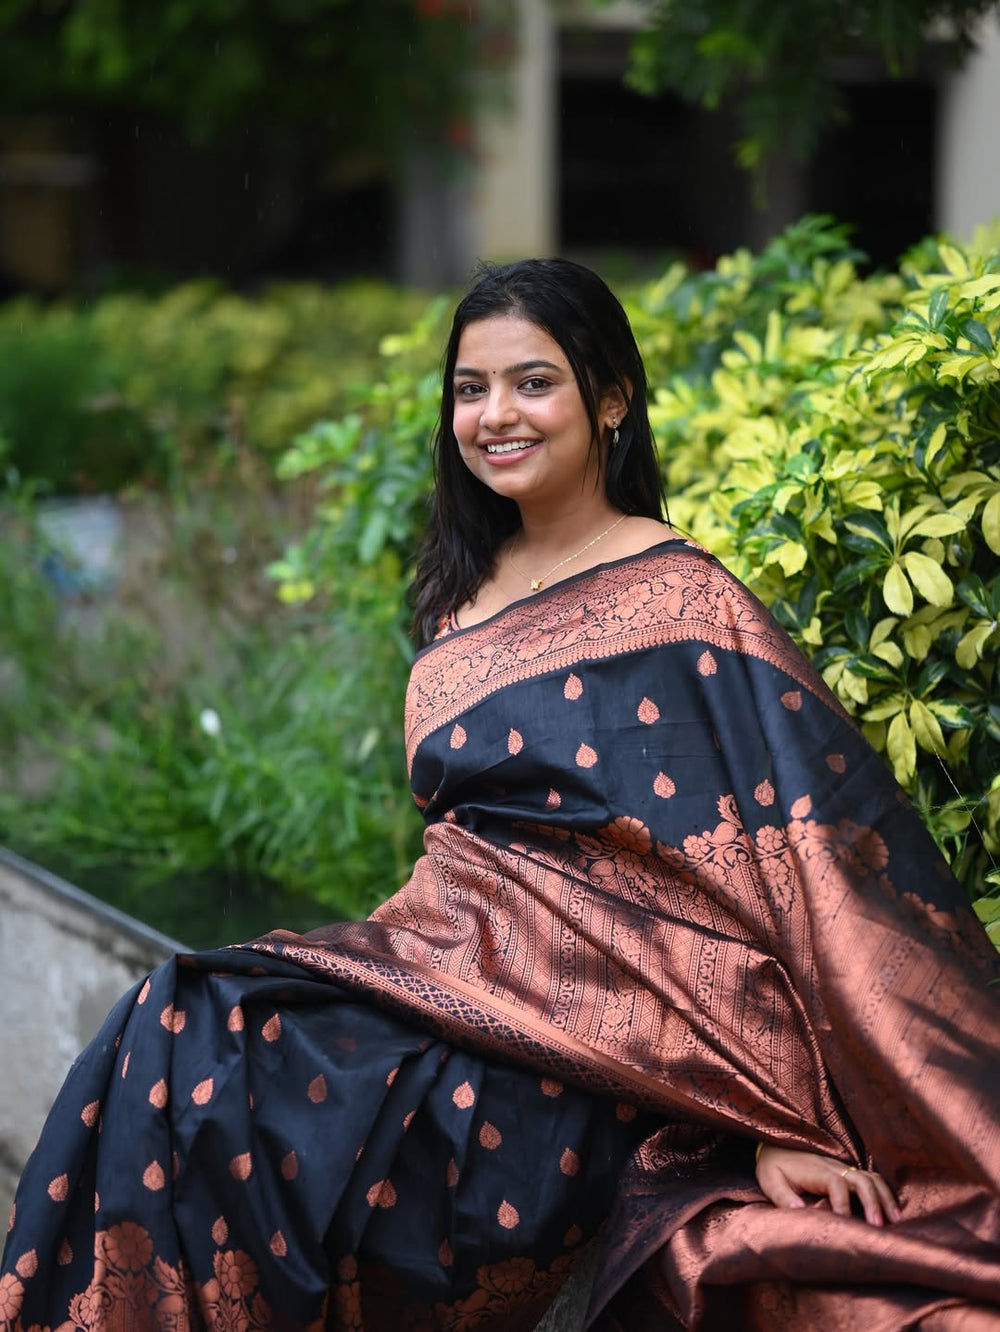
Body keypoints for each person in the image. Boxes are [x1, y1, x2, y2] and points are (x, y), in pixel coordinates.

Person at [2, 258, 998, 1331]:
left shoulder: (684, 599)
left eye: (533, 382)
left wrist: (776, 1117)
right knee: (178, 1025)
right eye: (470, 389)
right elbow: (473, 861)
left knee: (232, 1082)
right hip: (448, 984)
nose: (495, 416)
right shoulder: (459, 601)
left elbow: (784, 880)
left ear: (610, 400)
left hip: (578, 1073)